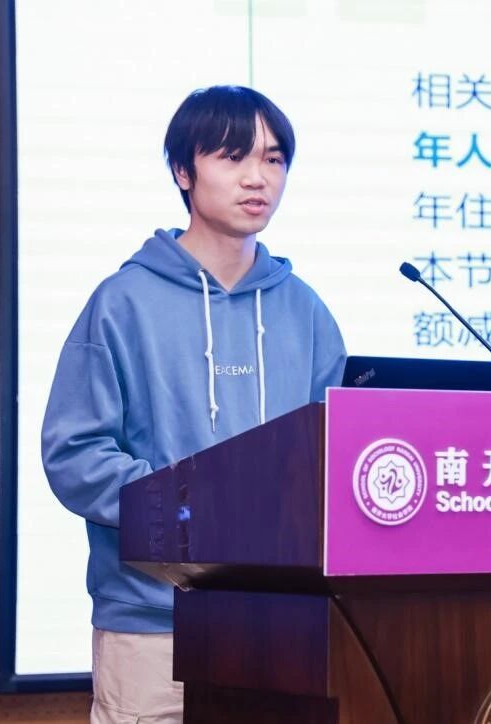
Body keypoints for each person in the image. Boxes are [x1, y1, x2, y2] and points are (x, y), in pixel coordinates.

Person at [41, 85, 347, 723]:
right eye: (233, 157)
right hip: (154, 623)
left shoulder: (306, 310)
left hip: (281, 622)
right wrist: (187, 509)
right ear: (184, 171)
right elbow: (76, 455)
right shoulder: (123, 302)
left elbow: (335, 454)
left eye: (273, 159)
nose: (257, 178)